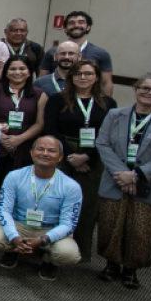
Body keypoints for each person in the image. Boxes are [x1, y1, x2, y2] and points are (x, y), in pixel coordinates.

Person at [44, 59, 116, 262]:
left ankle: (79, 249)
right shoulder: (57, 100)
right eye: (78, 74)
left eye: (88, 74)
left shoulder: (108, 103)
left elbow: (108, 134)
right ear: (71, 77)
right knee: (54, 201)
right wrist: (69, 156)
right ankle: (47, 247)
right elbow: (50, 129)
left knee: (87, 205)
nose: (83, 78)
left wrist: (87, 157)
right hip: (61, 154)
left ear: (97, 77)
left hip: (94, 155)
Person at [0, 136, 82, 281]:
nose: (45, 154)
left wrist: (43, 239)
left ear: (60, 157)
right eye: (40, 149)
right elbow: (4, 210)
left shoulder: (71, 186)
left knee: (68, 254)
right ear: (31, 152)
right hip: (20, 225)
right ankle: (14, 250)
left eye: (51, 151)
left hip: (50, 228)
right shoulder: (14, 177)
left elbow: (68, 224)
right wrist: (14, 237)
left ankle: (49, 261)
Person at [95, 73, 151, 290]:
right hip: (115, 179)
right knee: (111, 223)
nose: (149, 93)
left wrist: (137, 175)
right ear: (136, 89)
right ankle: (111, 264)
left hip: (148, 183)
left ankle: (131, 269)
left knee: (140, 229)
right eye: (145, 88)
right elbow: (102, 143)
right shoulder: (115, 115)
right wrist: (122, 173)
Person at [0, 56, 47, 204]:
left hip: (25, 147)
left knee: (20, 188)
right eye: (12, 69)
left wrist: (19, 139)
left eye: (22, 68)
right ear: (6, 72)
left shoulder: (40, 94)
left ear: (29, 72)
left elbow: (39, 124)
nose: (17, 72)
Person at [38, 11, 113, 97]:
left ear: (88, 27)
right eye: (71, 23)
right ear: (65, 28)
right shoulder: (52, 52)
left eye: (81, 22)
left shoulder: (100, 53)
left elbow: (105, 83)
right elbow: (42, 79)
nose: (76, 25)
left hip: (87, 100)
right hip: (53, 98)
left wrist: (106, 103)